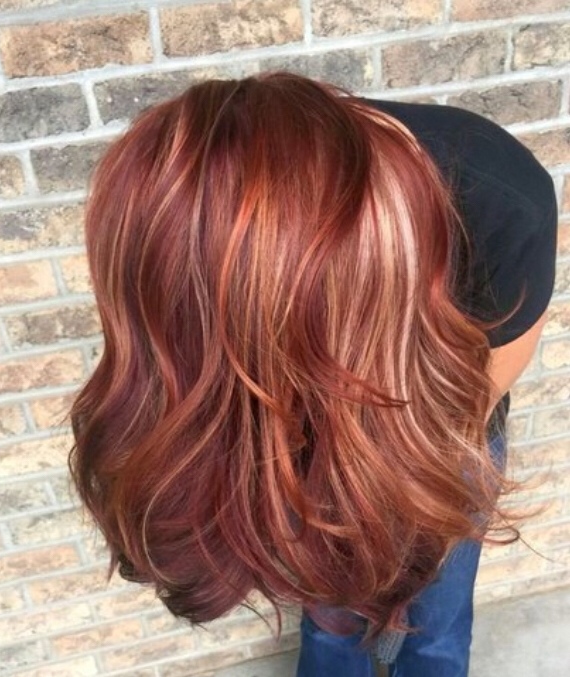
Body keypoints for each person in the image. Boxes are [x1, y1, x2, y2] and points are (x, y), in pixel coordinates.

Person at [69, 72, 557, 677]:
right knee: (330, 615)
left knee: (436, 614)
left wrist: (391, 493)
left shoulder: (496, 198)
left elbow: (480, 392)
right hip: (279, 433)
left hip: (439, 430)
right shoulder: (178, 204)